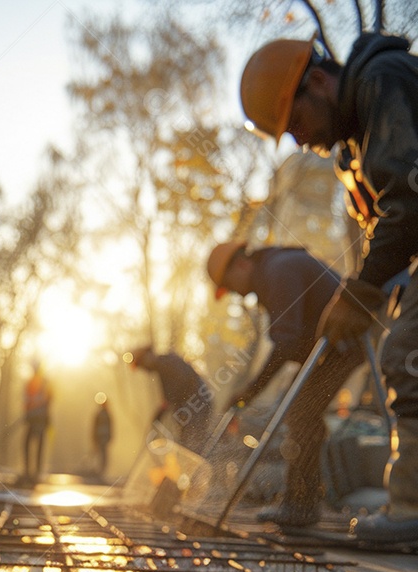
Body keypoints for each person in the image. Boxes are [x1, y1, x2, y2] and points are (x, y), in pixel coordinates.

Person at [239, 31, 418, 543]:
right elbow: (387, 224)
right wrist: (371, 288)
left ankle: (410, 509)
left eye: (295, 122)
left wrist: (360, 293)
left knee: (406, 355)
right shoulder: (353, 146)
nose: (297, 140)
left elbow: (407, 199)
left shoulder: (384, 83)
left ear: (318, 81)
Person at [207, 242, 369, 528]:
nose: (233, 293)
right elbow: (294, 341)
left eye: (229, 285)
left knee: (300, 412)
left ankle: (301, 506)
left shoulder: (278, 270)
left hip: (343, 344)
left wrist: (250, 392)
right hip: (331, 348)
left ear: (241, 264)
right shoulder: (275, 269)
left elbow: (286, 343)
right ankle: (301, 501)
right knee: (299, 409)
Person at [128, 345, 213, 455]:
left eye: (141, 364)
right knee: (187, 441)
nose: (144, 369)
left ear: (146, 357)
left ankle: (207, 466)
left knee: (193, 443)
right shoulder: (163, 366)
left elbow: (180, 383)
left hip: (198, 404)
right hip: (192, 406)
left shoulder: (167, 363)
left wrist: (167, 403)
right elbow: (170, 395)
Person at [23, 360, 52, 482]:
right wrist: (27, 414)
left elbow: (49, 400)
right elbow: (27, 400)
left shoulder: (44, 383)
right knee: (27, 442)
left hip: (40, 419)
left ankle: (37, 471)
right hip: (32, 418)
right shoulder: (30, 383)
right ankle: (28, 470)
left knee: (39, 443)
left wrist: (45, 416)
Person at [92, 393, 113, 478]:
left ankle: (102, 471)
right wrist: (94, 437)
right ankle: (98, 471)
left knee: (104, 454)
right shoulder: (99, 414)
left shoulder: (107, 414)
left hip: (105, 437)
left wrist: (110, 435)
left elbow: (110, 425)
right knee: (100, 453)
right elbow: (94, 426)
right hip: (100, 436)